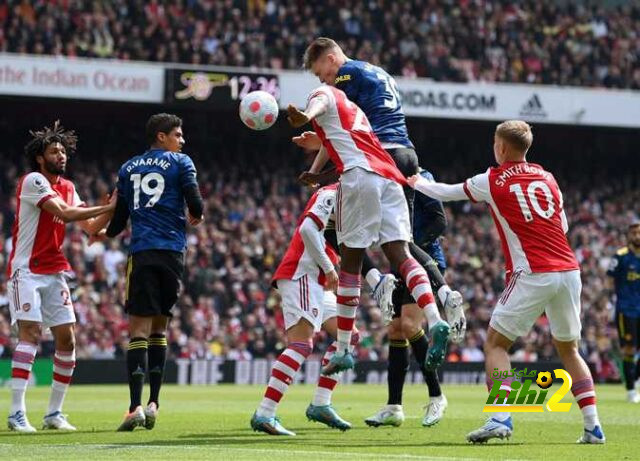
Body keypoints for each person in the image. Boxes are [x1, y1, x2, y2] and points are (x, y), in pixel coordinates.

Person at [408, 120, 605, 444]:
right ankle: (593, 427)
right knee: (570, 350)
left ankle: (501, 417)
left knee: (496, 345)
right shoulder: (548, 177)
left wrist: (415, 182)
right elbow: (563, 225)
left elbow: (449, 192)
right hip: (569, 271)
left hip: (532, 271)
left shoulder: (493, 178)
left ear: (501, 147)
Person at [297, 37, 465, 346]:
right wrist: (317, 170)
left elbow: (339, 119)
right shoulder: (379, 73)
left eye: (321, 72)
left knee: (332, 232)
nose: (323, 79)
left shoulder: (346, 74)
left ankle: (374, 285)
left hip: (377, 157)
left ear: (331, 58)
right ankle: (441, 295)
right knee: (400, 244)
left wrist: (311, 125)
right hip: (404, 153)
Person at [287, 83, 451, 377]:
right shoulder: (358, 114)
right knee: (401, 253)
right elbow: (351, 150)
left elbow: (321, 104)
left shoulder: (326, 92)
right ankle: (436, 317)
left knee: (350, 259)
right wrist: (317, 172)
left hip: (361, 177)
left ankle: (343, 350)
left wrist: (304, 114)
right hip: (390, 176)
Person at [7, 121, 116, 433]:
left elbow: (91, 229)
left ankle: (54, 413)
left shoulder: (68, 186)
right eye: (55, 150)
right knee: (30, 333)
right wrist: (109, 205)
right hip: (26, 271)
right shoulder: (33, 180)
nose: (62, 155)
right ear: (40, 157)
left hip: (55, 270)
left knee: (67, 339)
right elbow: (67, 215)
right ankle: (17, 413)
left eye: (64, 151)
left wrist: (113, 211)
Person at [105, 113, 204, 431]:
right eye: (177, 134)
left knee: (138, 332)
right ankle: (154, 403)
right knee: (160, 330)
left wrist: (100, 230)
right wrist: (196, 215)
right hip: (173, 254)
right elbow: (196, 204)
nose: (182, 139)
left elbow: (118, 223)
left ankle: (134, 407)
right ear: (161, 136)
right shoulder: (181, 162)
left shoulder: (127, 168)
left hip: (144, 252)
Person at [251, 184, 357, 436]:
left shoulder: (352, 200)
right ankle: (265, 413)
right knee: (301, 345)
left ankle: (321, 403)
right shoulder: (331, 193)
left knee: (348, 336)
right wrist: (329, 268)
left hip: (317, 281)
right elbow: (308, 229)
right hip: (303, 273)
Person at [365, 168, 449, 427]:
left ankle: (437, 396)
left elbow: (439, 222)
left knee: (411, 325)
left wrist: (411, 247)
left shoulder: (422, 176)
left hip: (425, 262)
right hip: (400, 263)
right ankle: (394, 406)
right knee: (395, 330)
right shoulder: (385, 176)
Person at [607, 222, 640, 403]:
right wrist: (610, 303)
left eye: (639, 232)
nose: (637, 236)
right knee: (629, 350)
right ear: (628, 235)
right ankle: (630, 391)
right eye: (633, 232)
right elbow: (609, 281)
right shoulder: (620, 257)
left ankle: (635, 379)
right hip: (626, 310)